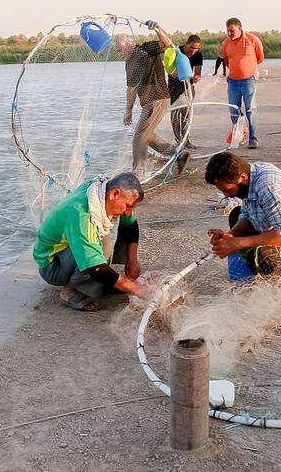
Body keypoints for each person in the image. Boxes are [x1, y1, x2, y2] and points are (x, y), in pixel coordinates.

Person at [204, 152, 281, 282]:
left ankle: (277, 287)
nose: (227, 196)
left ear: (243, 177)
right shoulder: (251, 176)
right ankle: (249, 273)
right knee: (236, 214)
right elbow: (247, 215)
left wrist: (236, 243)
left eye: (228, 189)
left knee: (264, 257)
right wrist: (230, 236)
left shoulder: (269, 187)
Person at [33, 172, 150, 311]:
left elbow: (130, 225)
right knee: (99, 250)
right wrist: (137, 289)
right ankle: (69, 292)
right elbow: (95, 267)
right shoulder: (81, 212)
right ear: (115, 194)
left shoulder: (100, 192)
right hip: (52, 265)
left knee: (111, 234)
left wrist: (132, 260)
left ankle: (99, 282)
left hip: (68, 251)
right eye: (128, 206)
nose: (127, 212)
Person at [115, 21, 188, 179]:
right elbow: (131, 89)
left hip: (157, 99)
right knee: (147, 135)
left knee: (139, 137)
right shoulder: (129, 62)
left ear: (129, 44)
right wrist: (128, 111)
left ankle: (138, 174)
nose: (116, 51)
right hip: (148, 103)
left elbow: (167, 44)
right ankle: (179, 153)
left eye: (118, 47)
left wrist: (157, 28)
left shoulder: (145, 49)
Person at [220, 18, 264, 149]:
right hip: (233, 81)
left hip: (249, 80)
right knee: (234, 109)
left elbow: (260, 58)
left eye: (232, 30)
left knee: (250, 109)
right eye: (228, 31)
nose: (229, 33)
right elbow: (226, 60)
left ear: (239, 28)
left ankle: (253, 138)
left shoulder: (252, 39)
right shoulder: (226, 43)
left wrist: (247, 69)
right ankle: (240, 134)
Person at [169, 34, 203, 150]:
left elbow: (197, 73)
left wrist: (197, 78)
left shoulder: (198, 55)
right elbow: (168, 69)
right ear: (186, 44)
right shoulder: (176, 51)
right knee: (175, 114)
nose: (193, 51)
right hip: (174, 86)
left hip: (188, 86)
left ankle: (186, 140)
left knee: (186, 115)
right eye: (191, 47)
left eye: (196, 48)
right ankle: (178, 140)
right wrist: (173, 73)